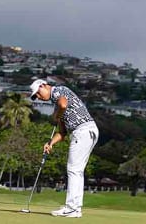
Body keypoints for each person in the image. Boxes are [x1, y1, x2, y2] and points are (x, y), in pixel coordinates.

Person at [30, 79, 99, 218]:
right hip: (86, 132)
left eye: (38, 93)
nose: (38, 97)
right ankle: (75, 208)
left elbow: (63, 104)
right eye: (36, 96)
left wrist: (57, 116)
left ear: (43, 86)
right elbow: (62, 133)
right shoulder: (57, 106)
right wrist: (50, 143)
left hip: (82, 131)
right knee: (77, 171)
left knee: (73, 170)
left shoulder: (58, 91)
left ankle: (71, 208)